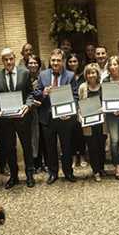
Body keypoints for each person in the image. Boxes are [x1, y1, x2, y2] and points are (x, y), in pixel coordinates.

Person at [0, 48, 35, 189]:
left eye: (11, 59)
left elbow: (30, 93)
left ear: (14, 59)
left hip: (22, 117)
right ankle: (14, 176)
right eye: (5, 59)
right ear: (2, 61)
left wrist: (27, 105)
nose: (9, 62)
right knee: (10, 148)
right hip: (6, 119)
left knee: (27, 146)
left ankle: (29, 175)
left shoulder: (25, 73)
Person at [34, 49, 79, 184]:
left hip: (64, 117)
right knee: (50, 147)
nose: (55, 63)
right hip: (47, 117)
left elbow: (75, 96)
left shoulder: (70, 76)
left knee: (66, 146)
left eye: (58, 60)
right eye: (53, 60)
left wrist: (70, 112)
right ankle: (53, 173)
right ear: (50, 61)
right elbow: (36, 94)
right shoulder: (42, 75)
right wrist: (43, 93)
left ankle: (68, 172)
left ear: (63, 62)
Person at [77, 63, 107, 181]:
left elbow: (107, 102)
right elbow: (79, 104)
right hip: (89, 123)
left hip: (102, 122)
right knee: (92, 146)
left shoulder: (103, 86)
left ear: (97, 74)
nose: (91, 75)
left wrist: (105, 108)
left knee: (102, 145)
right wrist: (79, 115)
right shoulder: (82, 88)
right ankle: (96, 171)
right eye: (89, 73)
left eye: (93, 72)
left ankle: (102, 167)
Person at [26, 55, 48, 173]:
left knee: (44, 137)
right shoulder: (24, 77)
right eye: (30, 63)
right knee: (34, 138)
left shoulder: (43, 77)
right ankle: (37, 163)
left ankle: (47, 163)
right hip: (30, 112)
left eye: (35, 63)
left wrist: (41, 100)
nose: (33, 65)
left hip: (43, 110)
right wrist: (30, 102)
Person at [66, 53, 86, 168]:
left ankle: (82, 155)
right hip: (69, 108)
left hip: (82, 108)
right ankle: (74, 156)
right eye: (70, 61)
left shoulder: (83, 76)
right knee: (71, 134)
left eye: (75, 61)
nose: (73, 64)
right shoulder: (66, 76)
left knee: (81, 133)